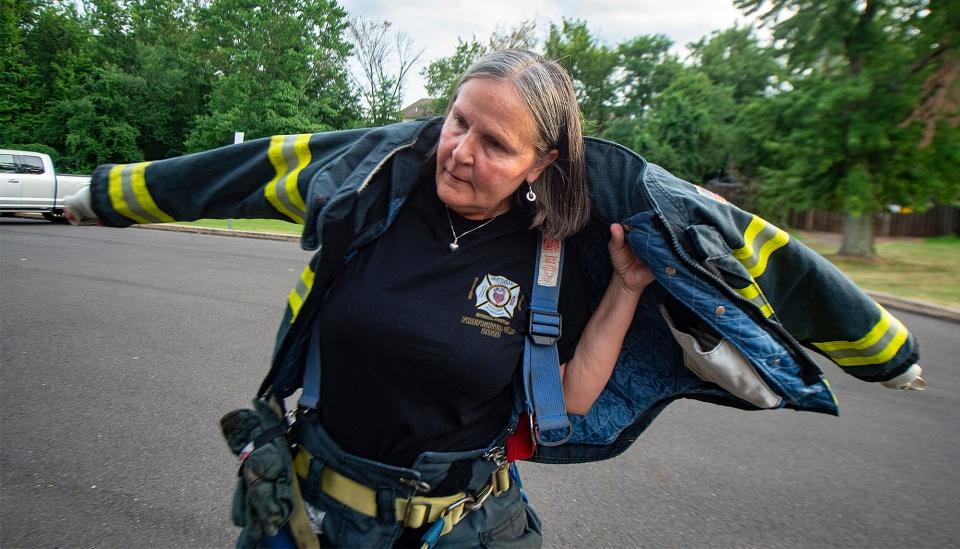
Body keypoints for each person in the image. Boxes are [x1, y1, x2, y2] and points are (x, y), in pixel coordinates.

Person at [65, 49, 925, 548]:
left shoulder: (558, 253)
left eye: (495, 142)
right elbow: (241, 170)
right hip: (311, 514)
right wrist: (104, 195)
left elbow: (733, 252)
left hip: (465, 526)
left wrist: (880, 349)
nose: (460, 150)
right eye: (456, 121)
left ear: (543, 165)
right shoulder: (373, 188)